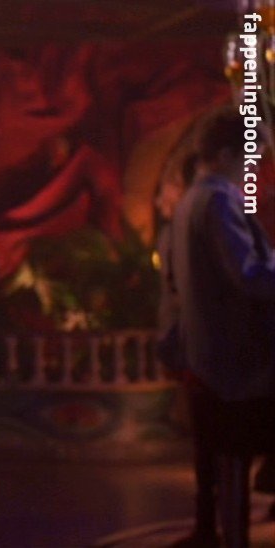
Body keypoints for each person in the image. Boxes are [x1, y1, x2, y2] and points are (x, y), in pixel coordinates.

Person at [168, 107, 275, 548]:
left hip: (210, 358)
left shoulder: (190, 200)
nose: (257, 170)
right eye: (254, 158)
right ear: (229, 155)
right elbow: (250, 276)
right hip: (238, 365)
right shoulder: (219, 201)